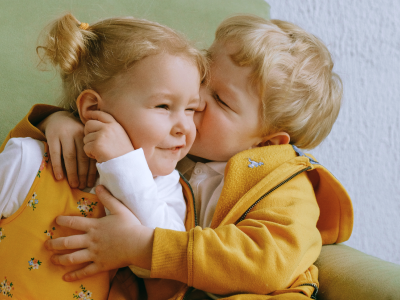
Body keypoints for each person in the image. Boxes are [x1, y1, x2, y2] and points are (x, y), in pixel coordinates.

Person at [1, 15, 353, 300]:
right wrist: (60, 119)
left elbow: (265, 263)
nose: (196, 98)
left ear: (266, 143)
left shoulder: (286, 185)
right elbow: (119, 96)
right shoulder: (177, 151)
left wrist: (143, 247)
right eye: (202, 77)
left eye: (220, 99)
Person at [0, 12, 207, 299]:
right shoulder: (29, 160)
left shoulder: (166, 186)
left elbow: (165, 261)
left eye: (192, 109)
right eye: (163, 106)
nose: (184, 126)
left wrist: (124, 163)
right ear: (93, 109)